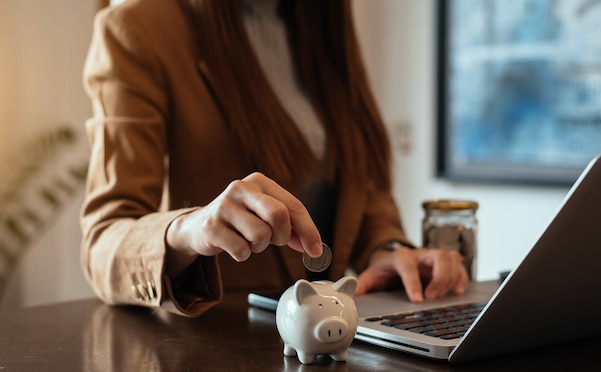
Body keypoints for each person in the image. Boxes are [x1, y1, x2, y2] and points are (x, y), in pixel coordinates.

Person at [81, 0, 468, 317]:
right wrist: (190, 229)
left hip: (326, 347)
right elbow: (102, 244)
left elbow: (359, 186)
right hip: (214, 360)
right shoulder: (136, 28)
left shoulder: (323, 24)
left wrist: (388, 251)